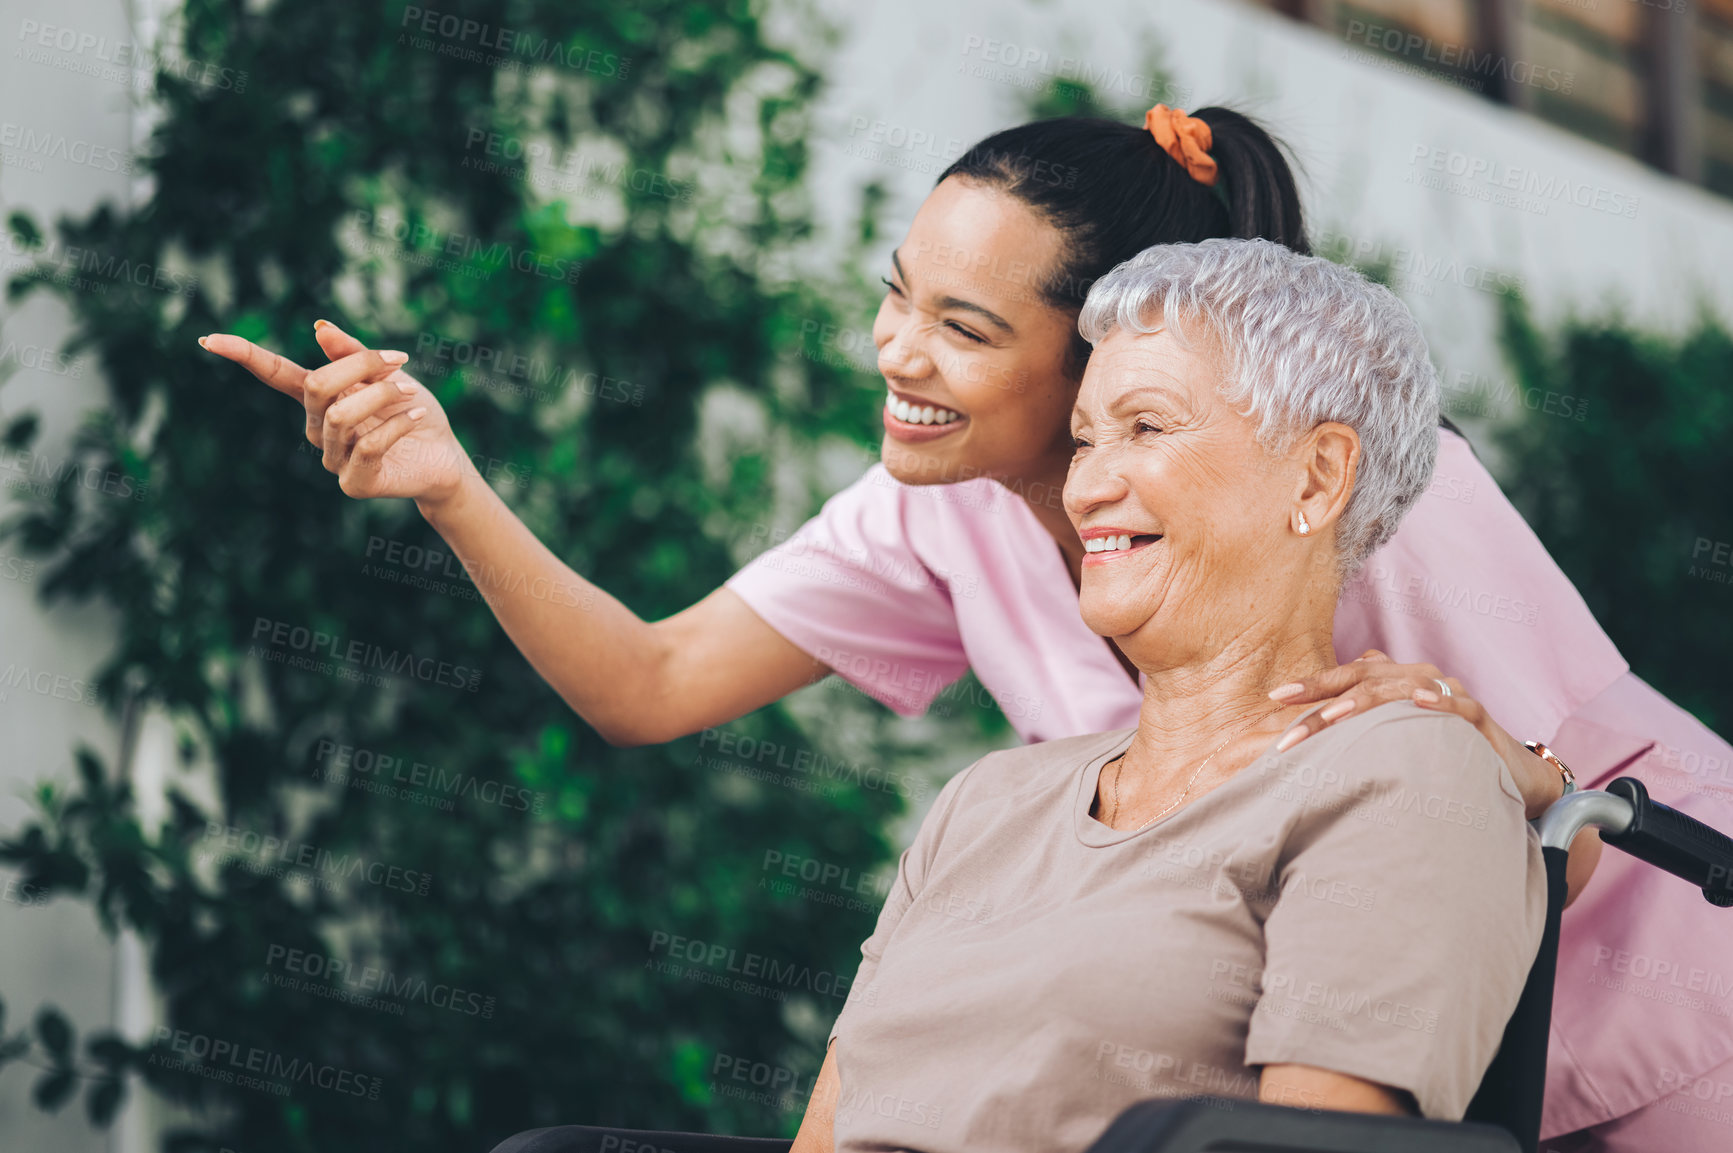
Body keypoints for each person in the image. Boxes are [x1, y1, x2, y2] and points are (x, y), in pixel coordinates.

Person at [199, 107, 1733, 1151]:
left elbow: (1548, 818)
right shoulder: (936, 506)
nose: (895, 352)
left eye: (964, 327)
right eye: (895, 295)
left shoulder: (1332, 476)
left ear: (1101, 346)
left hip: (1661, 969)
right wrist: (448, 484)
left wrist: (1492, 767)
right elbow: (651, 679)